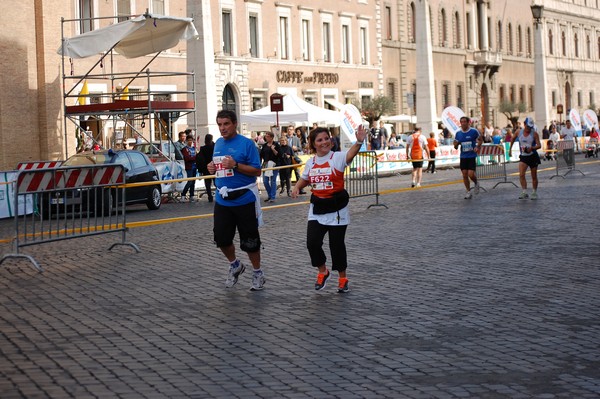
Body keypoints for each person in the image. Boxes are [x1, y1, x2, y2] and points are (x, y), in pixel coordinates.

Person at [290, 125, 368, 293]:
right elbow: (304, 179)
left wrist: (359, 141)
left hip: (337, 208)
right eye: (320, 140)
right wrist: (296, 187)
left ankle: (342, 278)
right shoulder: (310, 162)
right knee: (312, 243)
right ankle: (323, 271)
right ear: (313, 144)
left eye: (326, 138)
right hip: (317, 207)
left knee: (336, 245)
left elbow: (351, 153)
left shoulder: (337, 157)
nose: (324, 142)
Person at [207, 109, 266, 291]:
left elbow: (257, 171)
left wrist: (236, 165)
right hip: (223, 199)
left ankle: (257, 273)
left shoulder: (247, 144)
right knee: (221, 239)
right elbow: (219, 167)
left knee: (250, 241)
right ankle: (235, 265)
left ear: (235, 124)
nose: (222, 128)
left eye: (226, 124)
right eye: (219, 124)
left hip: (244, 198)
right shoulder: (217, 143)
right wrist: (212, 168)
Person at [509, 117, 541, 200]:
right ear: (524, 124)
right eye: (527, 127)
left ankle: (534, 192)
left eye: (530, 127)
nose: (529, 129)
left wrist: (532, 148)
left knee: (534, 176)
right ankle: (524, 192)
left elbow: (539, 145)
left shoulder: (534, 134)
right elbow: (512, 139)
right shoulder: (519, 132)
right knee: (521, 174)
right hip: (523, 156)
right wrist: (510, 150)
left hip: (533, 156)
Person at [453, 116, 482, 199]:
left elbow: (480, 139)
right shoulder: (458, 133)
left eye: (464, 122)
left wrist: (477, 147)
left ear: (468, 122)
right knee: (465, 175)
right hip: (463, 156)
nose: (463, 123)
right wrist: (455, 144)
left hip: (471, 156)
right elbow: (455, 145)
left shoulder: (473, 131)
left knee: (471, 174)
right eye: (461, 122)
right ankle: (468, 191)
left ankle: (476, 182)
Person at [260, 131, 281, 203]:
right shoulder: (264, 145)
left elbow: (279, 155)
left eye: (268, 136)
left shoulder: (276, 145)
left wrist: (273, 149)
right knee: (265, 181)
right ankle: (269, 194)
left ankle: (272, 197)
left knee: (273, 181)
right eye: (266, 136)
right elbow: (261, 155)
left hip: (274, 164)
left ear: (272, 137)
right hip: (266, 164)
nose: (266, 137)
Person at [196, 133, 215, 202]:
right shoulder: (214, 147)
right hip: (214, 167)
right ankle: (219, 194)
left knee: (207, 183)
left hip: (206, 168)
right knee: (216, 182)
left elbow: (200, 158)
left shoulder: (203, 148)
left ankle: (210, 197)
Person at [181, 134, 197, 202]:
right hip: (189, 167)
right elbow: (187, 158)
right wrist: (195, 158)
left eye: (191, 140)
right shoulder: (185, 149)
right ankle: (183, 195)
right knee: (189, 182)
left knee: (193, 182)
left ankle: (191, 196)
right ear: (186, 141)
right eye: (189, 140)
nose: (190, 141)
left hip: (194, 167)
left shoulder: (194, 148)